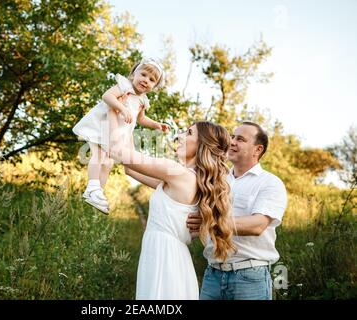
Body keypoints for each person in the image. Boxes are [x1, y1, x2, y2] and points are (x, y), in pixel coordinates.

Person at [109, 120, 235, 300]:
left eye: (189, 133)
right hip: (167, 254)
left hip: (165, 256)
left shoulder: (177, 173)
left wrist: (117, 117)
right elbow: (129, 169)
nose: (179, 136)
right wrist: (132, 120)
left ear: (202, 145)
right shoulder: (186, 179)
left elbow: (118, 153)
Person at [187, 121, 288, 300]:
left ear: (258, 149)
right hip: (212, 275)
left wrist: (209, 222)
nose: (232, 142)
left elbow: (257, 225)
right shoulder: (218, 179)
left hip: (249, 278)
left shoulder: (270, 183)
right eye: (232, 137)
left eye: (240, 139)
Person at [72, 58, 169, 215]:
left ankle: (98, 194)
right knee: (99, 155)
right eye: (143, 75)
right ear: (133, 74)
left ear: (154, 86)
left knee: (108, 164)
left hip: (117, 133)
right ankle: (92, 186)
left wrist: (156, 124)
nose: (146, 80)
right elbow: (107, 96)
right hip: (102, 124)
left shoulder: (143, 100)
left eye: (152, 80)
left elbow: (141, 119)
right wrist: (122, 109)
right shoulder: (125, 86)